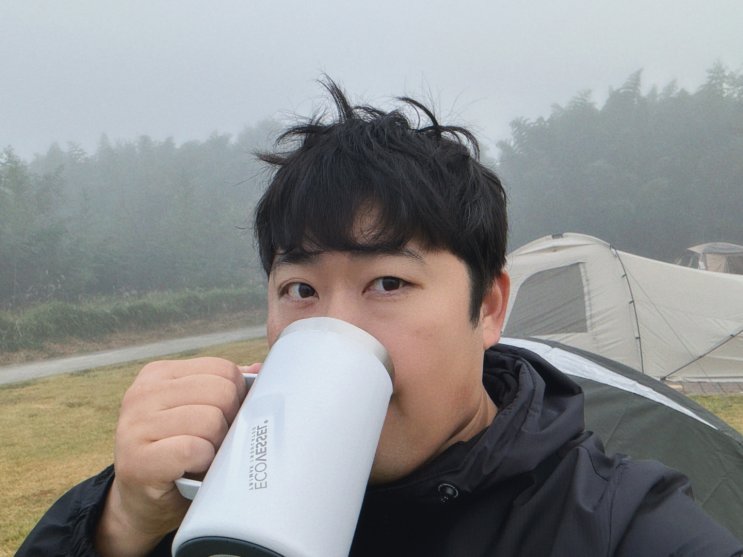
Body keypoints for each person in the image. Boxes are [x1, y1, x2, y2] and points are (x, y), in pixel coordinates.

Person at [17, 80, 743, 557]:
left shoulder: (615, 521)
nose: (334, 327)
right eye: (300, 289)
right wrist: (118, 524)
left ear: (488, 307)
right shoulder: (214, 491)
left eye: (387, 282)